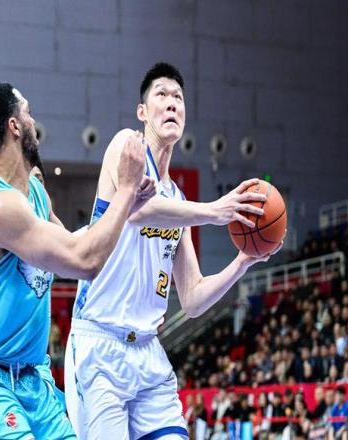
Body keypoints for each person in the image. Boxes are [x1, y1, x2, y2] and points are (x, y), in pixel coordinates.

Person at [64, 62, 280, 439]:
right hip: (99, 345)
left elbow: (192, 298)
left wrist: (242, 262)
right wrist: (213, 211)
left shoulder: (178, 201)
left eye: (178, 97)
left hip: (148, 352)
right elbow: (137, 210)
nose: (171, 103)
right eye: (161, 95)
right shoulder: (126, 148)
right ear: (142, 111)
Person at [0, 82, 151, 439]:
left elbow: (80, 246)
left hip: (32, 377)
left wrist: (128, 207)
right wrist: (124, 188)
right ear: (14, 126)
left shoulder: (36, 198)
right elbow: (85, 260)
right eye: (28, 112)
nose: (34, 121)